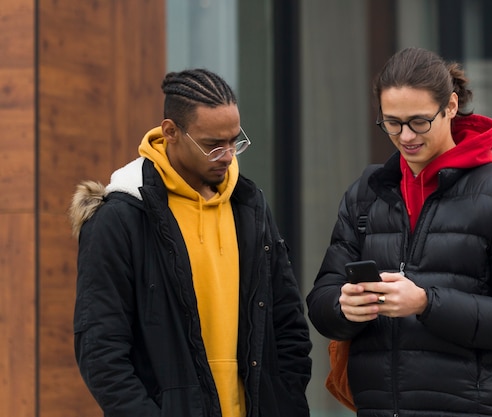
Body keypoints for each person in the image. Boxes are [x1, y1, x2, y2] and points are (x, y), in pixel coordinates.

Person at [306, 47, 492, 417]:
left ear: (451, 106)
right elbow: (320, 302)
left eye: (419, 121)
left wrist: (426, 303)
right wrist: (343, 306)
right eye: (392, 122)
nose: (405, 136)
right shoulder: (366, 193)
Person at [69, 68, 312, 417]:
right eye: (213, 145)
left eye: (234, 141)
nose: (228, 156)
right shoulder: (119, 218)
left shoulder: (250, 206)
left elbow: (288, 327)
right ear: (171, 132)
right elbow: (100, 350)